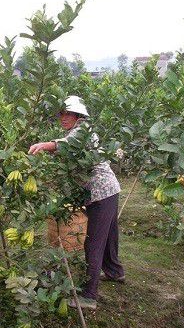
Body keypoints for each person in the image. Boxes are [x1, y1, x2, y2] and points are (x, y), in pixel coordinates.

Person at [28, 95, 124, 310]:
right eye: (61, 113)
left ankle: (89, 296)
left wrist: (47, 145)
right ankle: (115, 272)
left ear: (78, 115)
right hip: (107, 190)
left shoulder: (83, 129)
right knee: (108, 236)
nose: (63, 117)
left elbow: (69, 145)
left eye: (68, 113)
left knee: (93, 242)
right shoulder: (77, 131)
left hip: (101, 192)